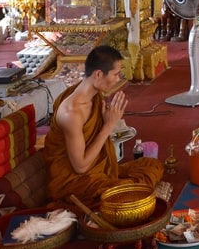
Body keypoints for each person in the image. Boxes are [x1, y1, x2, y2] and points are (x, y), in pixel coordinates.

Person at [45, 45, 168, 209]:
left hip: (97, 172)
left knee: (153, 166)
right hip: (75, 183)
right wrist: (108, 125)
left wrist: (108, 120)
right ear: (98, 74)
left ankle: (116, 185)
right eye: (116, 74)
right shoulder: (71, 112)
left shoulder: (93, 94)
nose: (119, 79)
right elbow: (80, 167)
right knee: (131, 194)